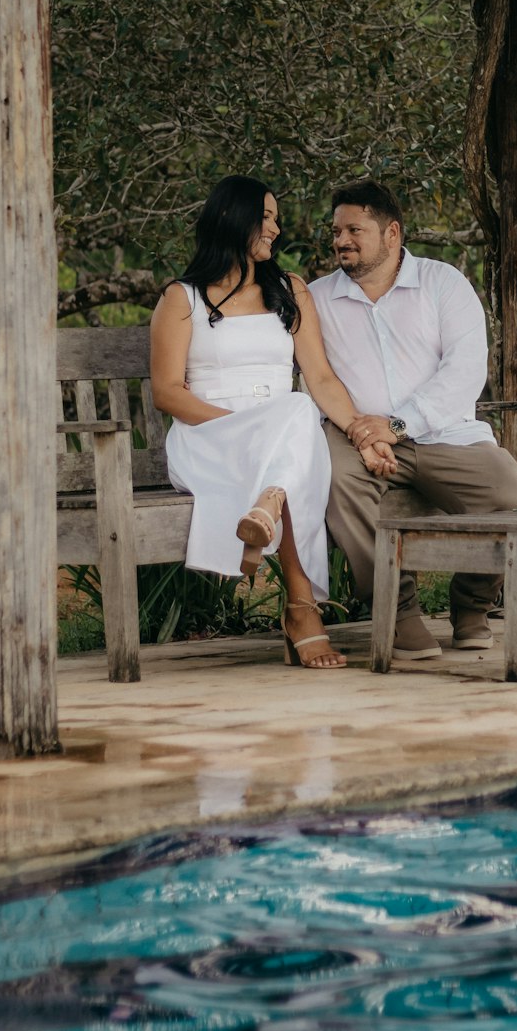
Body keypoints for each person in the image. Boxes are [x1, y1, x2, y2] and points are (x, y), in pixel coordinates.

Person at [150, 174, 394, 670]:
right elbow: (167, 392)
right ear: (230, 218)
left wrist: (361, 436)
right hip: (209, 439)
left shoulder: (289, 291)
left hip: (279, 437)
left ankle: (269, 504)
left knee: (299, 408)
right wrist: (247, 430)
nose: (275, 229)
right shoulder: (183, 298)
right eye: (266, 217)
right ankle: (302, 613)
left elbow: (321, 379)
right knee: (294, 418)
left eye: (276, 219)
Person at [309, 179, 517, 661]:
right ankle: (398, 612)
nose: (340, 240)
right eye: (336, 231)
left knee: (509, 497)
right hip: (356, 439)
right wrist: (364, 434)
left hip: (442, 434)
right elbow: (316, 378)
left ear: (392, 234)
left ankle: (472, 606)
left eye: (354, 229)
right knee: (338, 480)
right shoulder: (317, 298)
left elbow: (466, 369)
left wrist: (398, 425)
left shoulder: (442, 283)